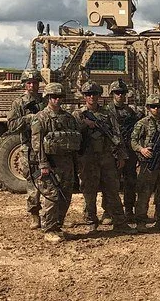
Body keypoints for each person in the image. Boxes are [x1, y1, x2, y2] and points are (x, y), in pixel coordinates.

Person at [74, 81, 133, 233]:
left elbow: (116, 134)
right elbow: (73, 136)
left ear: (99, 96)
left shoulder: (107, 113)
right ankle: (91, 222)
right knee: (89, 191)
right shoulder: (78, 115)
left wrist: (121, 156)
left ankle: (119, 222)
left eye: (95, 94)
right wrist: (85, 124)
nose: (92, 97)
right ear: (84, 97)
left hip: (106, 157)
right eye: (88, 94)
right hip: (87, 158)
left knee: (112, 190)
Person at [31, 83, 82, 243]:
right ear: (48, 98)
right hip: (51, 164)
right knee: (52, 197)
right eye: (54, 97)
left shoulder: (68, 118)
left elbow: (74, 139)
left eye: (60, 97)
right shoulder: (40, 118)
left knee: (65, 196)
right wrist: (43, 164)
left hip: (67, 163)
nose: (57, 100)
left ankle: (58, 227)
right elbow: (37, 144)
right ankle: (49, 229)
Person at [131, 93, 160, 231]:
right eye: (153, 106)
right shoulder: (142, 123)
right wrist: (142, 149)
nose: (156, 109)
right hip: (148, 163)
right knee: (144, 192)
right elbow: (133, 141)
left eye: (159, 106)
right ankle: (141, 221)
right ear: (148, 108)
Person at [7, 69, 47, 230]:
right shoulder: (19, 103)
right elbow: (11, 125)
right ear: (25, 84)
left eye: (35, 82)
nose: (32, 85)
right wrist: (29, 119)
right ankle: (34, 215)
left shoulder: (45, 101)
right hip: (29, 147)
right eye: (29, 83)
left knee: (49, 183)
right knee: (32, 182)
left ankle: (49, 215)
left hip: (46, 146)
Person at [106, 79, 141, 223]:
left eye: (122, 93)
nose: (120, 95)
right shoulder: (107, 111)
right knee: (111, 182)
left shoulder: (132, 112)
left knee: (130, 181)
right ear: (112, 94)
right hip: (112, 151)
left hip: (129, 151)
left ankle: (129, 209)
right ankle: (109, 211)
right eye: (117, 93)